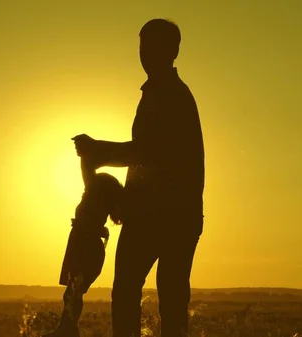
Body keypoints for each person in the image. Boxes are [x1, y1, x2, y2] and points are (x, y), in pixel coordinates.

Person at [72, 18, 205, 337]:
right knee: (150, 296)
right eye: (143, 46)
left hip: (166, 216)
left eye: (154, 46)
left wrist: (99, 150)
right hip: (162, 214)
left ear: (173, 51)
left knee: (150, 297)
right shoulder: (158, 93)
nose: (146, 54)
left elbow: (149, 152)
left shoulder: (172, 95)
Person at [43, 155, 124, 337]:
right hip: (82, 245)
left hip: (85, 248)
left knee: (73, 292)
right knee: (73, 293)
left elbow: (87, 170)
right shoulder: (94, 202)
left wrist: (87, 152)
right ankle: (68, 329)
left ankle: (67, 330)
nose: (84, 191)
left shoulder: (93, 204)